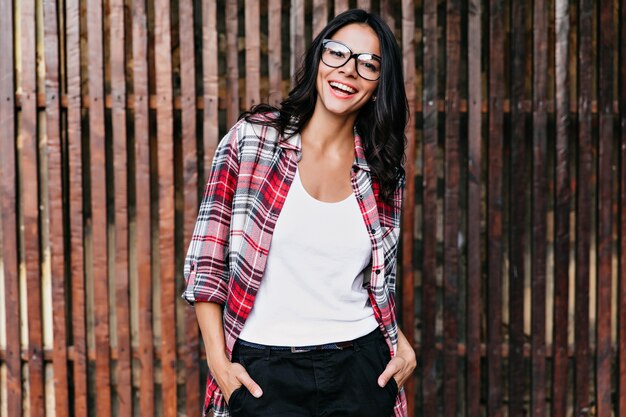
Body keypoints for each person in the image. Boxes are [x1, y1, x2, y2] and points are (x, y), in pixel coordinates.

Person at [182, 8, 416, 417]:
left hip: (361, 369)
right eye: (338, 53)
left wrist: (398, 340)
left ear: (380, 85)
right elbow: (206, 263)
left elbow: (377, 282)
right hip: (265, 374)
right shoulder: (253, 140)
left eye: (368, 64)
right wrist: (219, 364)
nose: (349, 71)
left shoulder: (382, 169)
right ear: (318, 60)